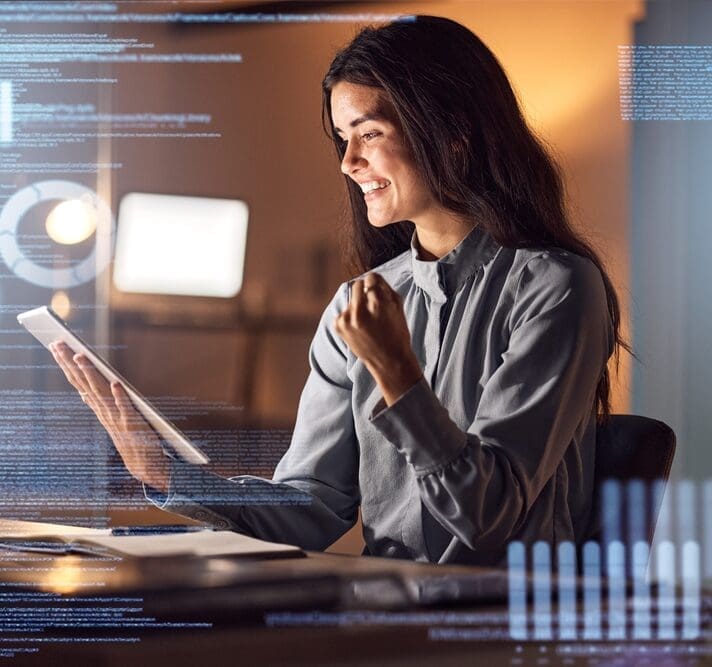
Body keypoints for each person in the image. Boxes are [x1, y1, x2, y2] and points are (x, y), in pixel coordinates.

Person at [51, 16, 624, 566]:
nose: (349, 162)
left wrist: (399, 379)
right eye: (344, 138)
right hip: (385, 610)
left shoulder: (557, 287)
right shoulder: (357, 303)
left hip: (498, 628)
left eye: (370, 133)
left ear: (453, 135)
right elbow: (313, 506)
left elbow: (486, 517)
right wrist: (167, 473)